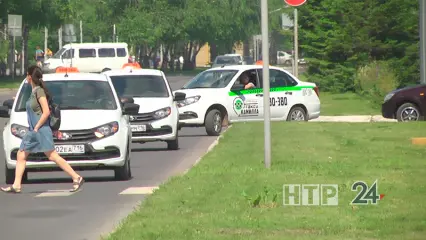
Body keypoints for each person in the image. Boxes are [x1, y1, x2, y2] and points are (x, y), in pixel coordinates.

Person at [1, 66, 84, 193]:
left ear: (30, 76)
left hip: (40, 129)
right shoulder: (33, 91)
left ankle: (76, 177)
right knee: (21, 154)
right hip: (33, 130)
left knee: (52, 156)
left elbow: (46, 112)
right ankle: (16, 185)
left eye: (27, 75)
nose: (26, 77)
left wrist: (37, 127)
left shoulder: (39, 92)